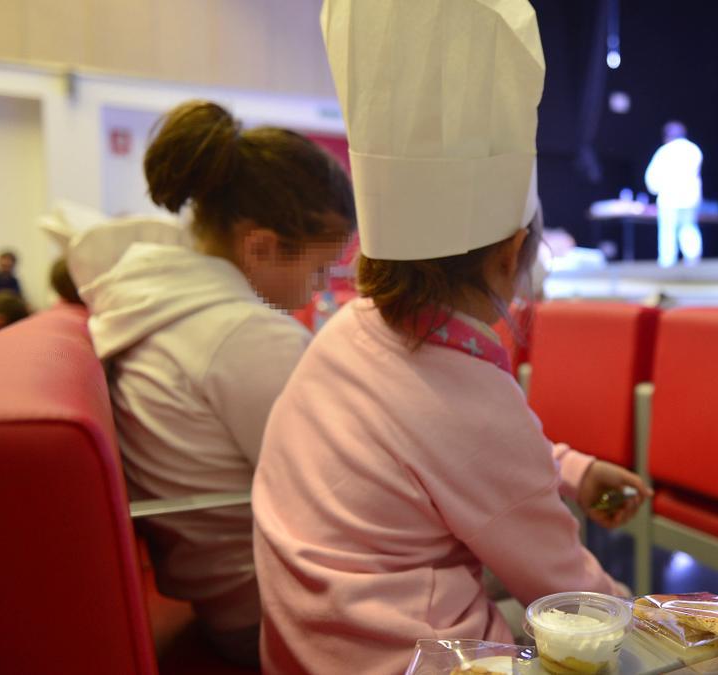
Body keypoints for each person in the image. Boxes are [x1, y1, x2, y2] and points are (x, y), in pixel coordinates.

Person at [252, 1, 648, 671]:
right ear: (509, 255)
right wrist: (673, 646)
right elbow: (573, 591)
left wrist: (568, 469)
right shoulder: (471, 398)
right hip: (424, 657)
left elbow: (443, 449)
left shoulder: (346, 334)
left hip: (304, 649)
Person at [76, 100, 355, 666]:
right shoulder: (246, 337)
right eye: (320, 269)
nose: (322, 289)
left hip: (225, 594)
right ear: (260, 247)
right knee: (515, 605)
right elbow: (343, 493)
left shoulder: (153, 305)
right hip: (275, 610)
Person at [645, 121, 703, 267]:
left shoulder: (664, 151)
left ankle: (667, 265)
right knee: (689, 229)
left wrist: (656, 189)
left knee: (668, 232)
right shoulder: (694, 150)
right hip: (690, 199)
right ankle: (693, 262)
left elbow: (651, 178)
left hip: (669, 199)